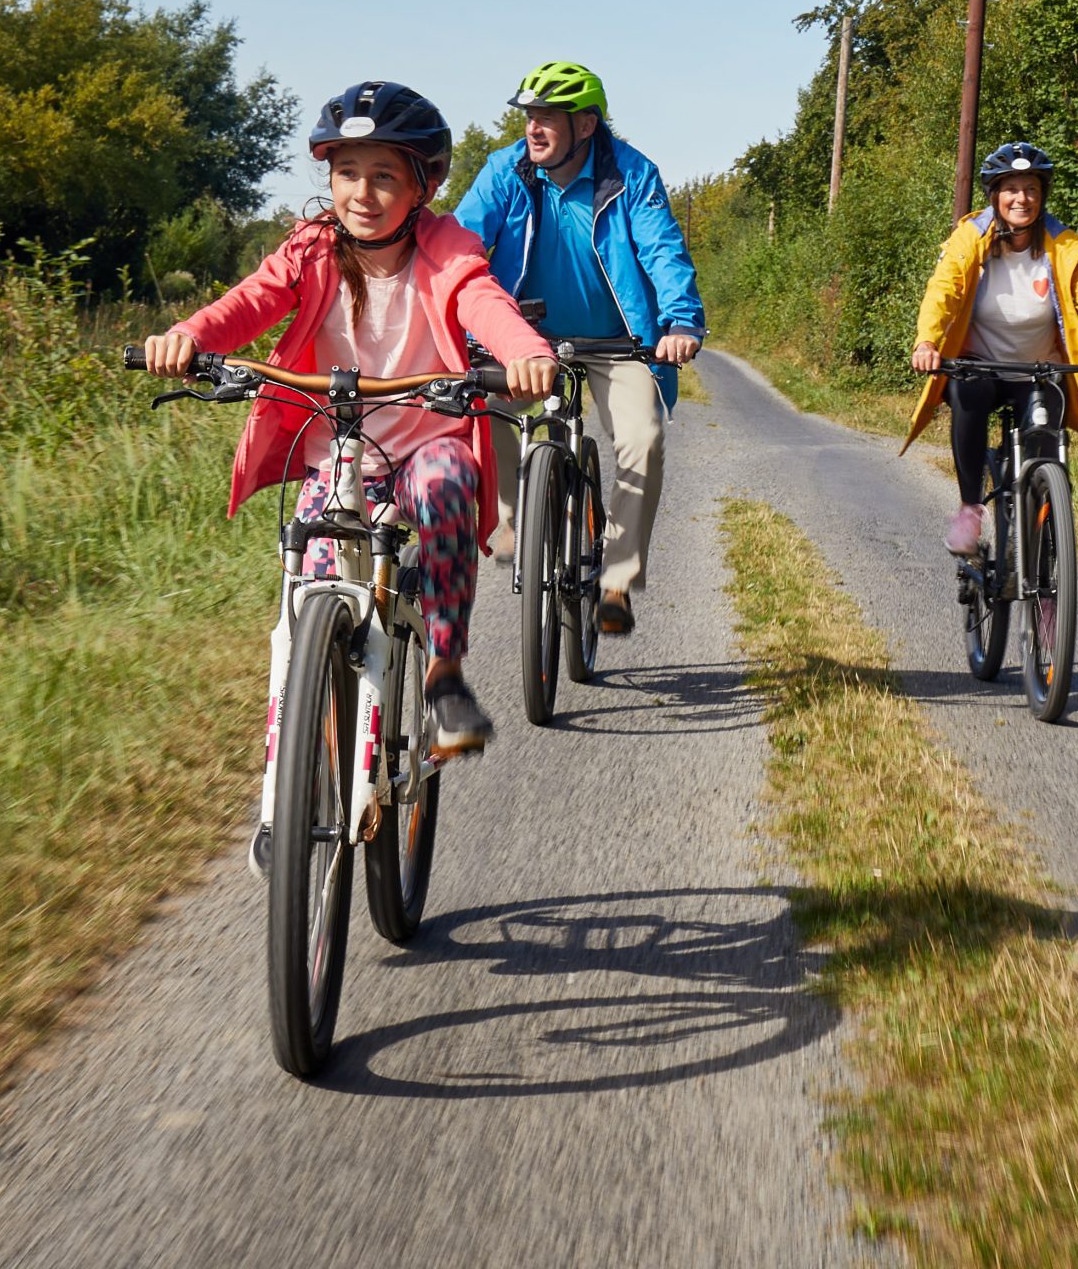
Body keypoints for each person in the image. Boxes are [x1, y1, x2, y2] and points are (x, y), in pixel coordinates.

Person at [143, 81, 557, 869]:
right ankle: (303, 782)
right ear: (328, 179)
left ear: (423, 187)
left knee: (445, 489)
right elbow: (248, 304)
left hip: (422, 438)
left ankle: (442, 675)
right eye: (347, 174)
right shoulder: (309, 249)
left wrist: (524, 355)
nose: (362, 194)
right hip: (339, 452)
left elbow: (485, 304)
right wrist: (186, 335)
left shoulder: (448, 251)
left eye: (384, 177)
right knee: (311, 607)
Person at [453, 60, 705, 635]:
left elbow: (662, 251)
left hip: (619, 341)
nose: (533, 128)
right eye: (529, 116)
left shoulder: (632, 175)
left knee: (644, 438)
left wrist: (681, 323)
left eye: (547, 117)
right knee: (483, 406)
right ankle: (517, 518)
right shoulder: (505, 171)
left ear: (585, 126)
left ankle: (617, 577)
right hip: (524, 339)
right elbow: (461, 247)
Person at [905, 142, 1078, 555]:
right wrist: (927, 339)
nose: (1022, 198)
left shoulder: (1063, 248)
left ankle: (1041, 541)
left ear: (1042, 194)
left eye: (1031, 188)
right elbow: (943, 290)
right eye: (1011, 188)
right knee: (967, 394)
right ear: (995, 196)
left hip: (1039, 369)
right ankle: (970, 508)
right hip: (981, 365)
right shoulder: (971, 240)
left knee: (1044, 443)